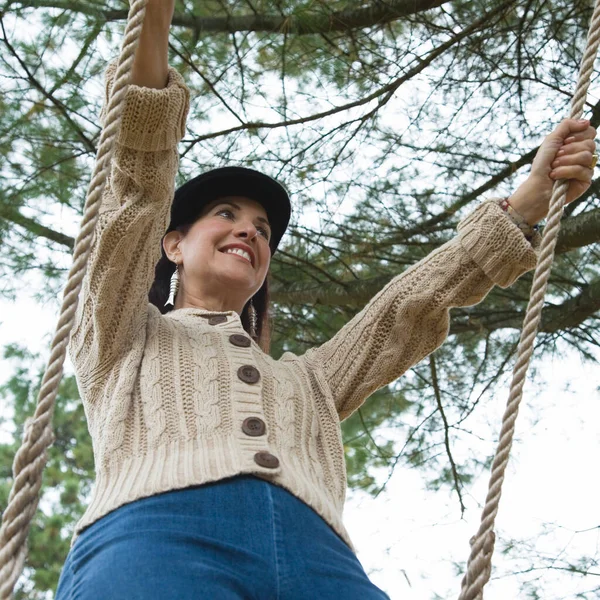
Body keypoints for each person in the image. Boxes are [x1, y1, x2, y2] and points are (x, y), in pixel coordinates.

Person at [55, 1, 596, 598]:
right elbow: (135, 191)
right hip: (158, 540)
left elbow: (404, 311)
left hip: (323, 562)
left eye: (262, 229)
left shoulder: (309, 381)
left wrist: (527, 203)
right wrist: (155, 16)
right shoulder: (119, 331)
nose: (249, 232)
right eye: (226, 215)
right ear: (174, 245)